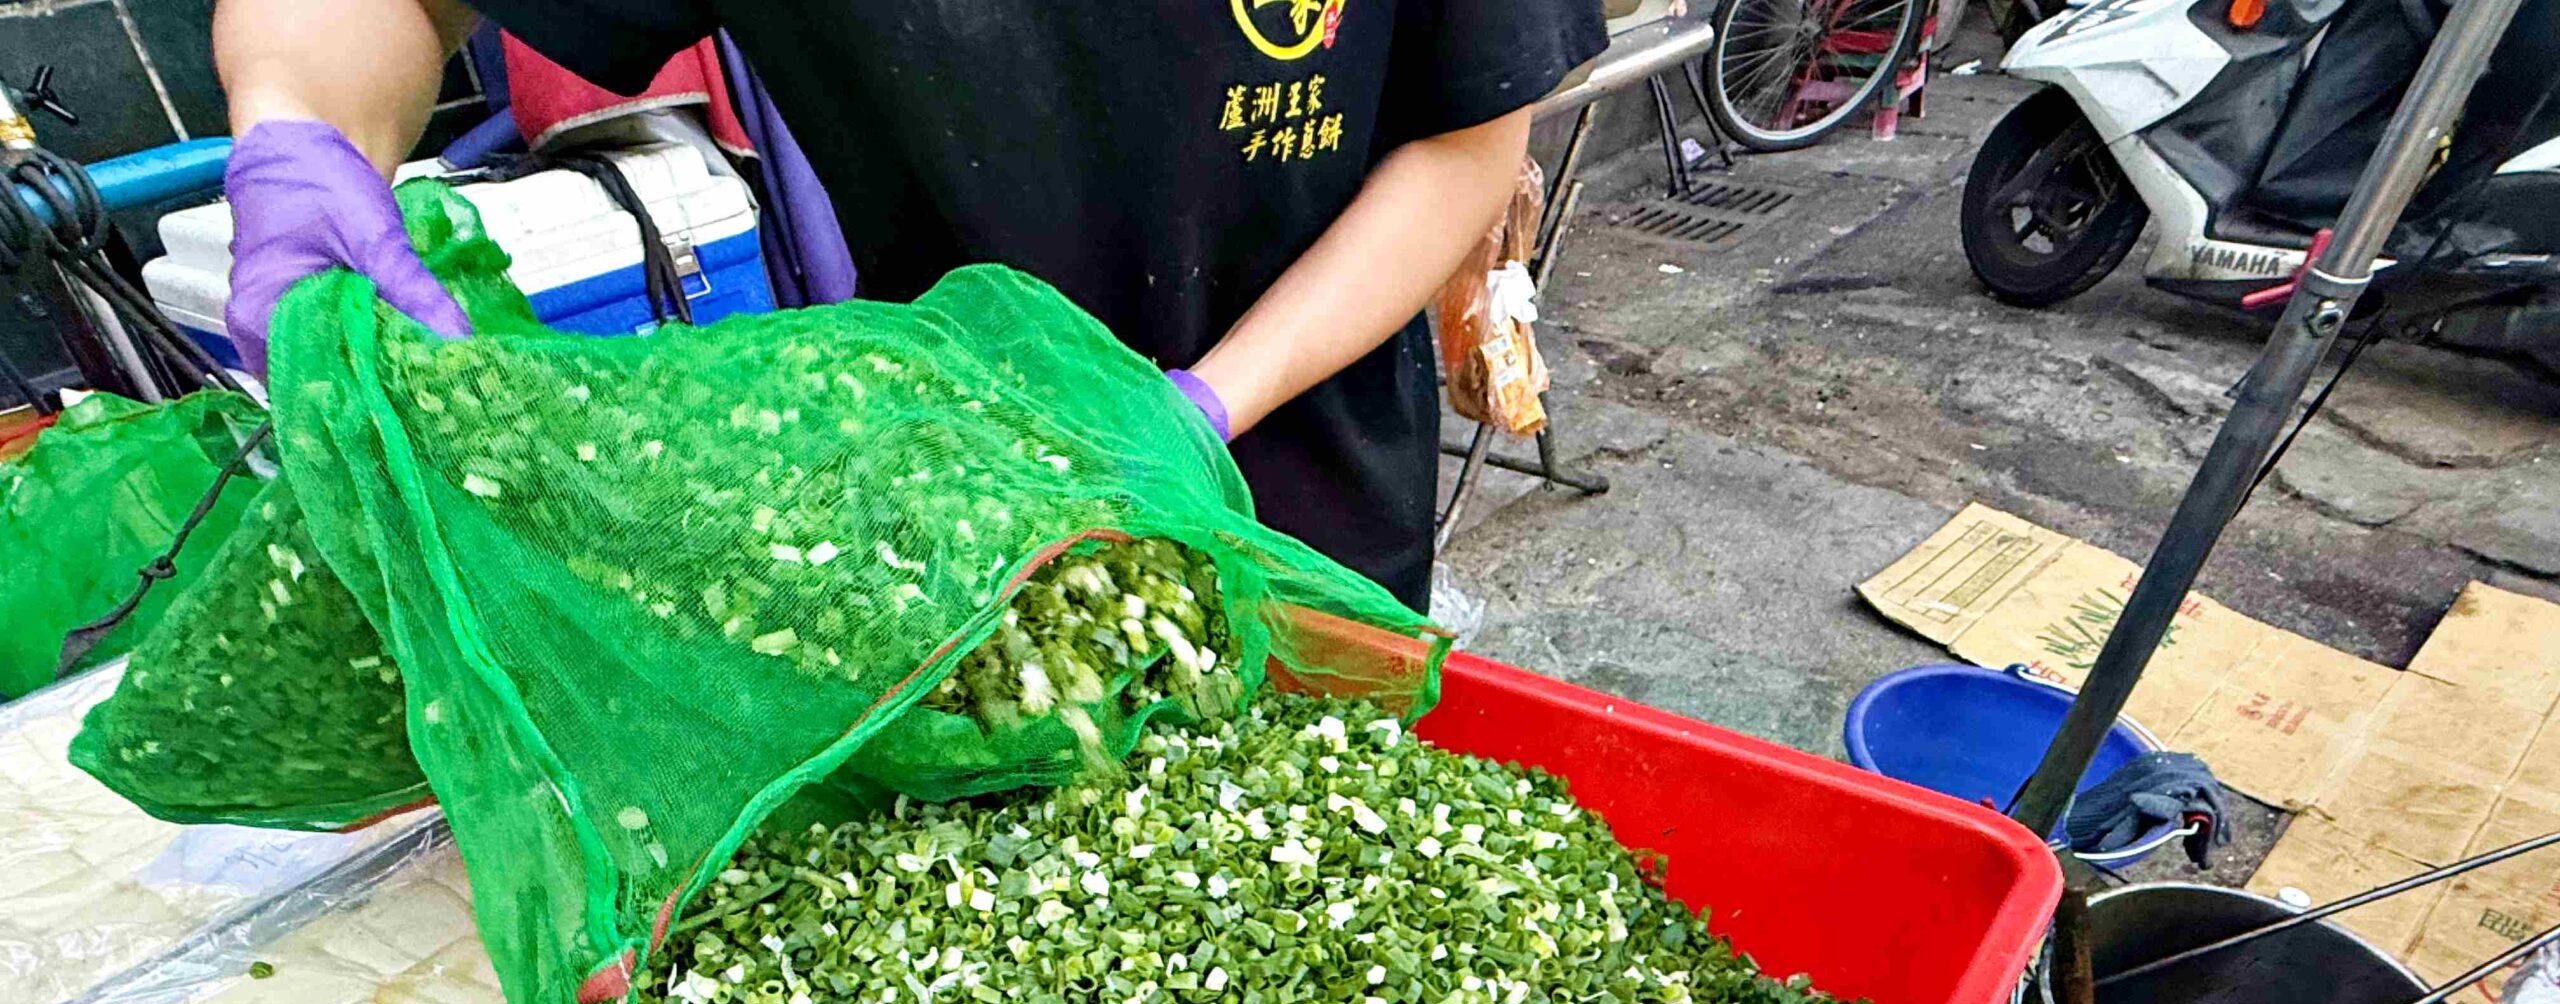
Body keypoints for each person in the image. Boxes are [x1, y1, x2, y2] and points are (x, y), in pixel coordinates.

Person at [212, 0, 1607, 611]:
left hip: (1298, 499)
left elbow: (1467, 140)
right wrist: (295, 120)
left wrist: (1202, 406)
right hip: (940, 519)